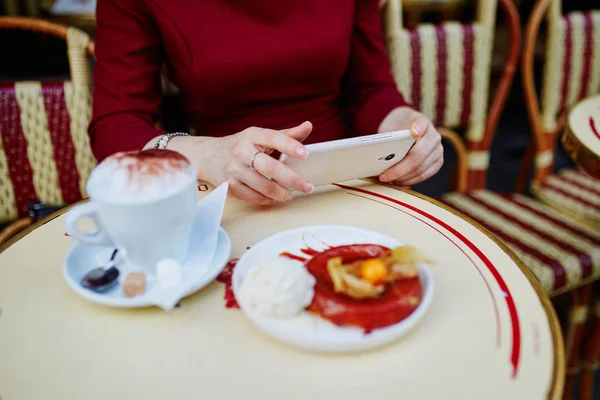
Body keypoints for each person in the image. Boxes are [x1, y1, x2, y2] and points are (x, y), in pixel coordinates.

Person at [90, 0, 443, 205]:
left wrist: (407, 126)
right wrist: (209, 155)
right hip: (228, 191)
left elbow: (369, 88)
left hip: (346, 182)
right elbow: (116, 123)